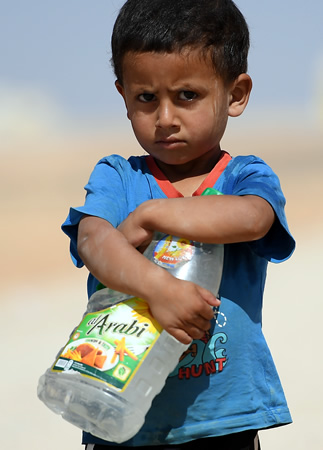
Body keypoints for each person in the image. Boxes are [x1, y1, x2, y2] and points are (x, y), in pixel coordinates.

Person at [62, 0, 295, 449]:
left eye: (187, 96)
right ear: (123, 95)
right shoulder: (119, 177)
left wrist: (151, 216)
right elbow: (93, 241)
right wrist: (160, 290)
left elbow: (252, 217)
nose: (165, 118)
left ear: (236, 94)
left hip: (221, 421)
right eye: (146, 98)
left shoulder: (245, 177)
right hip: (118, 406)